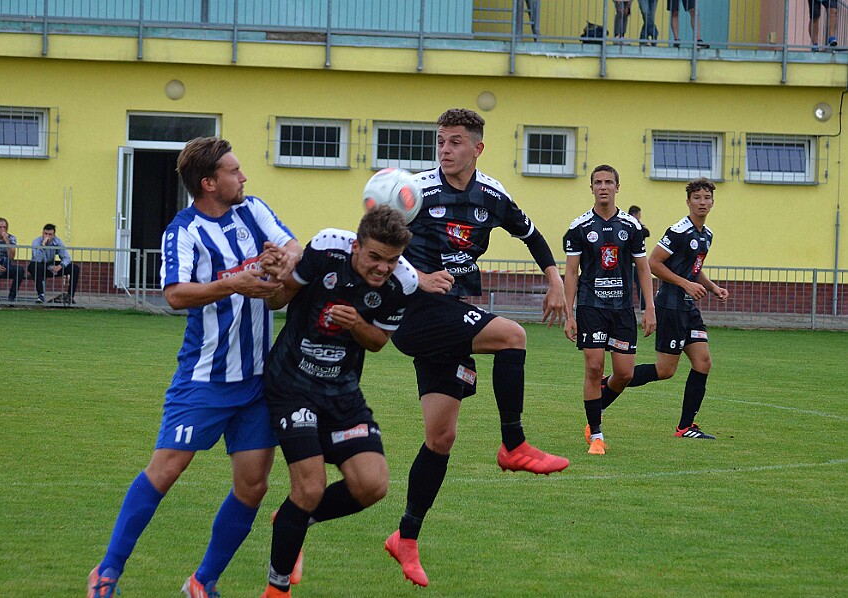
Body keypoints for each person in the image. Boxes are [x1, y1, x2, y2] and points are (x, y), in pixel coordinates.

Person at [87, 136, 302, 598]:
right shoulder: (182, 231)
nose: (243, 177)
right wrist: (235, 283)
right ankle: (106, 572)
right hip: (204, 378)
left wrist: (282, 262)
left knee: (253, 486)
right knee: (165, 470)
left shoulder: (253, 210)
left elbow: (294, 247)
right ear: (208, 183)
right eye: (233, 171)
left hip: (258, 381)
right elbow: (175, 294)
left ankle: (203, 582)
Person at [384, 108, 569, 588]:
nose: (445, 150)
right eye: (441, 141)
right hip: (417, 312)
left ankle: (405, 537)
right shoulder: (415, 191)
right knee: (513, 335)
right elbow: (373, 244)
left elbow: (532, 235)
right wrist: (418, 276)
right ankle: (514, 445)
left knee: (440, 438)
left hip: (451, 316)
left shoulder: (492, 194)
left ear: (477, 148)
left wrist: (555, 280)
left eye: (456, 141)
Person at [260, 206, 418, 598]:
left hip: (342, 392)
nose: (383, 268)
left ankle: (293, 519)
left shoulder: (404, 281)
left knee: (372, 485)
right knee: (310, 487)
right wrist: (272, 277)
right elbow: (277, 300)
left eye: (391, 260)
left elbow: (378, 342)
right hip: (292, 384)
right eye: (375, 257)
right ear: (356, 247)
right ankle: (277, 589)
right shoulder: (326, 248)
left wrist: (356, 323)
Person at [623, 177, 728, 439]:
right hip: (670, 306)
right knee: (665, 370)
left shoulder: (706, 235)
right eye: (697, 198)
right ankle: (611, 382)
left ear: (713, 202)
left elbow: (694, 268)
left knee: (703, 362)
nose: (702, 202)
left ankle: (685, 427)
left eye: (707, 198)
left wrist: (712, 287)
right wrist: (685, 284)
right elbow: (654, 263)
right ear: (688, 201)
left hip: (689, 308)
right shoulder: (679, 231)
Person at [562, 165, 656, 456]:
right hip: (591, 306)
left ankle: (597, 405)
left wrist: (649, 308)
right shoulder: (579, 227)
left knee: (624, 374)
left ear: (617, 187)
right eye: (598, 182)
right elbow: (571, 272)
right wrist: (569, 314)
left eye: (608, 182)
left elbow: (643, 269)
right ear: (591, 188)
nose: (603, 187)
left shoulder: (631, 227)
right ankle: (596, 434)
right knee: (594, 367)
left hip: (622, 308)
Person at [28, 223, 81, 304]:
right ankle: (41, 295)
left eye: (50, 234)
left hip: (50, 265)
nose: (47, 236)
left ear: (54, 235)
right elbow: (37, 259)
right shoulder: (36, 242)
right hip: (38, 265)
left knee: (74, 268)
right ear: (42, 233)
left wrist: (60, 266)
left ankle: (70, 296)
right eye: (45, 234)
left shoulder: (57, 241)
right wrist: (43, 246)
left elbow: (66, 257)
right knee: (35, 266)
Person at [628, 205, 651, 309]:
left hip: (637, 262)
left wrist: (639, 224)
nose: (640, 217)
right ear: (635, 214)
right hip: (629, 262)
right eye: (639, 214)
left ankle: (643, 306)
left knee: (640, 284)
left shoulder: (638, 227)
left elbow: (647, 233)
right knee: (627, 284)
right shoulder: (628, 226)